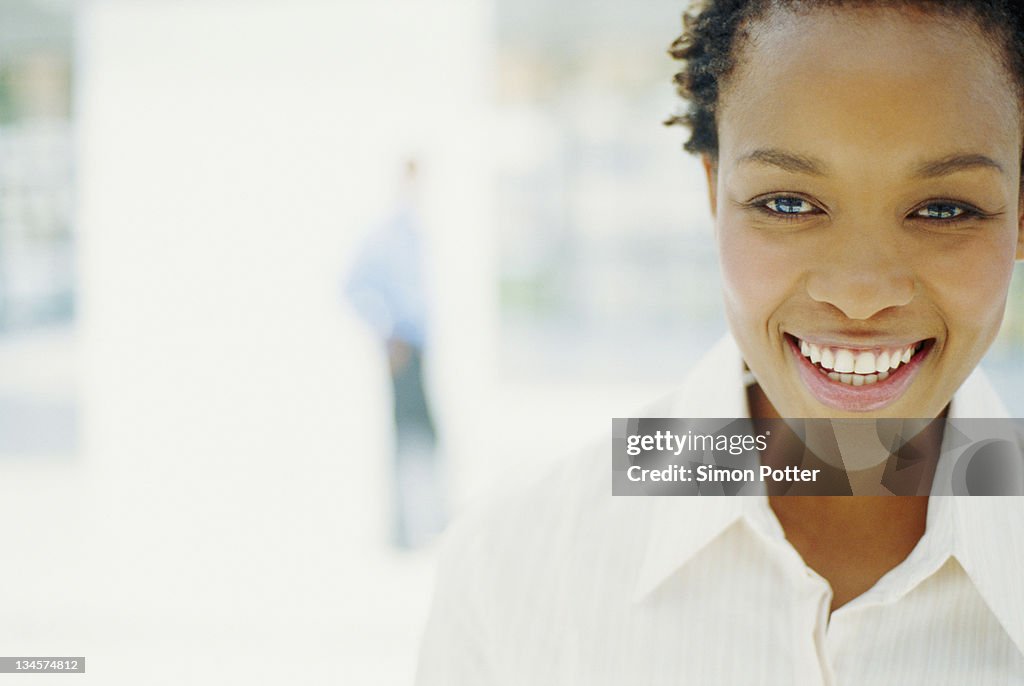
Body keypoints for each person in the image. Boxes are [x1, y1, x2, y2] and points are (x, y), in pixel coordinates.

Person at [416, 1, 1024, 683]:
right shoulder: (514, 563)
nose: (860, 292)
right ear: (714, 193)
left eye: (944, 210)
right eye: (788, 203)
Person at [345, 160, 446, 550]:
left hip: (420, 348)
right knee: (407, 438)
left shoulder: (416, 233)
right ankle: (402, 533)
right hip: (403, 347)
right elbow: (352, 285)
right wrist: (386, 333)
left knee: (427, 436)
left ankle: (422, 525)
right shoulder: (387, 235)